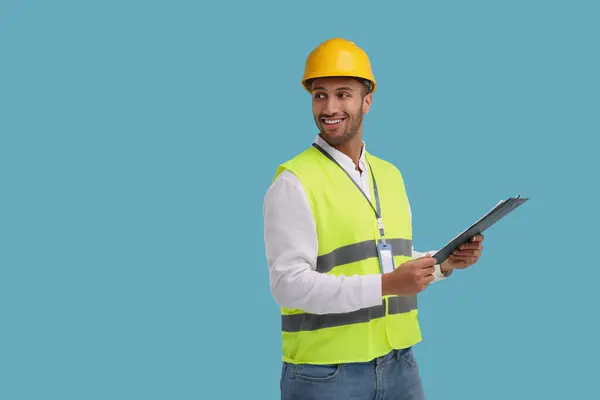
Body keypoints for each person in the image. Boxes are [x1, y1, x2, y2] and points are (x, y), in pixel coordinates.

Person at [262, 38, 485, 400]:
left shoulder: (390, 175)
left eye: (343, 94)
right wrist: (386, 284)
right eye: (320, 95)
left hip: (400, 366)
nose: (329, 107)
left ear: (367, 100)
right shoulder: (293, 182)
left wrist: (444, 264)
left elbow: (385, 260)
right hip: (326, 376)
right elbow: (288, 285)